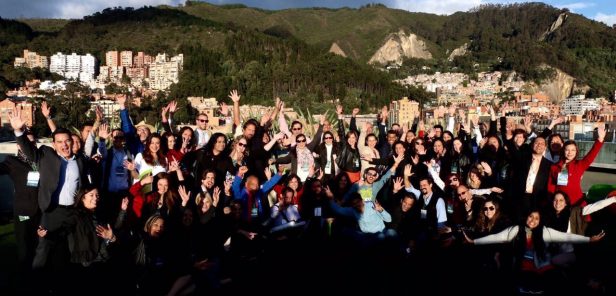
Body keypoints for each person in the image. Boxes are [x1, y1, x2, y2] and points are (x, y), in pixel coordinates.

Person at [10, 107, 91, 274]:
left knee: (70, 248)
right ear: (54, 144)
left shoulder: (80, 161)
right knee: (44, 248)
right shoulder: (46, 156)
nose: (64, 145)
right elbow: (28, 150)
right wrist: (19, 131)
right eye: (59, 142)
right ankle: (35, 280)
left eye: (67, 141)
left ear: (72, 141)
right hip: (52, 211)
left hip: (73, 212)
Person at [465, 210, 605, 294]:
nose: (532, 220)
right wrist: (474, 242)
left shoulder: (544, 232)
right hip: (524, 269)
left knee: (558, 284)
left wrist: (588, 239)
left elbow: (566, 236)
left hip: (543, 268)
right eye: (531, 216)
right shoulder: (516, 230)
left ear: (540, 221)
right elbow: (496, 237)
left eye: (536, 218)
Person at [547, 124, 606, 207]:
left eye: (573, 150)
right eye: (567, 150)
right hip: (560, 204)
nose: (570, 153)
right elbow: (551, 187)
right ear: (563, 151)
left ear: (576, 152)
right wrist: (551, 201)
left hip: (577, 202)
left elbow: (591, 155)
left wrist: (600, 139)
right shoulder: (554, 167)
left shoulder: (580, 165)